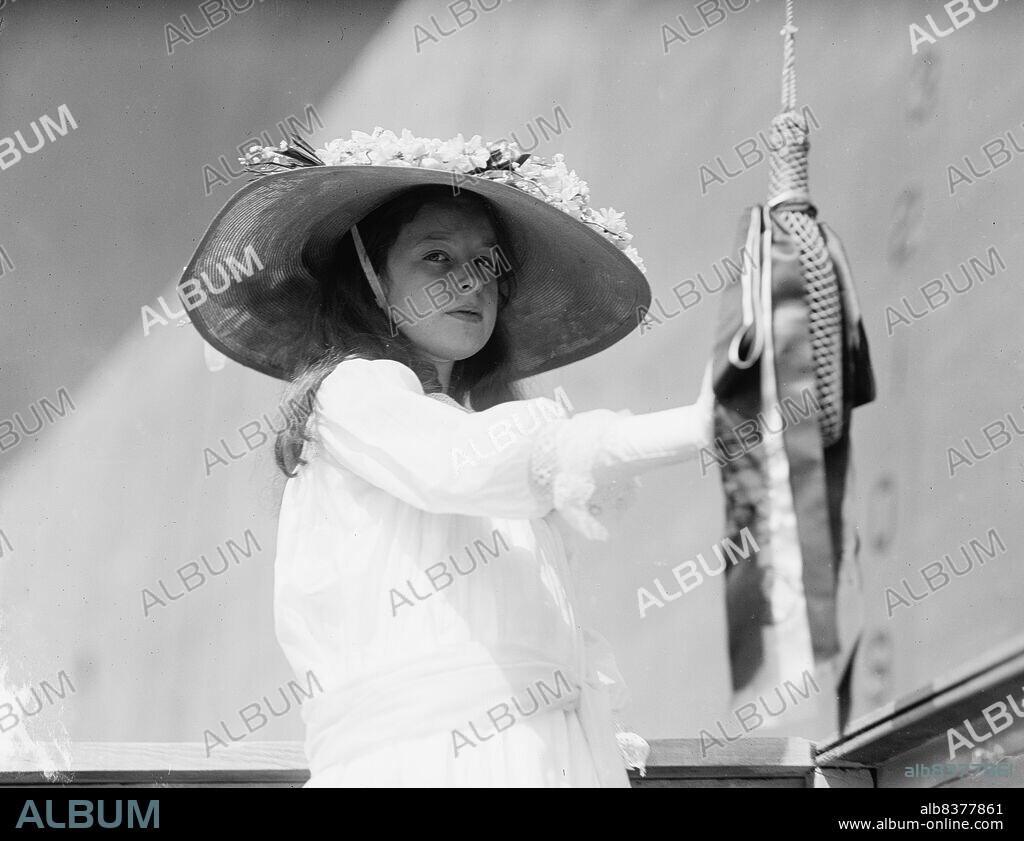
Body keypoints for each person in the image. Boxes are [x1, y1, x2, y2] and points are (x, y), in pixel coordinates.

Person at [180, 128, 716, 787]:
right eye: (437, 256)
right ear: (370, 278)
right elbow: (463, 463)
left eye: (490, 263)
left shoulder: (491, 453)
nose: (471, 280)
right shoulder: (355, 393)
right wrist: (700, 425)